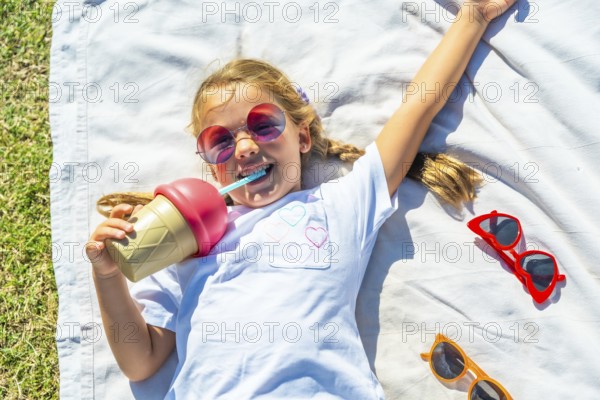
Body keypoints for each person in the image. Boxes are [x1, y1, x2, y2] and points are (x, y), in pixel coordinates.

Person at [87, 1, 516, 398]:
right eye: (220, 142)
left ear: (303, 136)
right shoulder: (185, 242)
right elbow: (140, 361)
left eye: (263, 125)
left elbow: (416, 110)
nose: (244, 149)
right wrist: (108, 276)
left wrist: (472, 18)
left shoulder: (339, 205)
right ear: (211, 167)